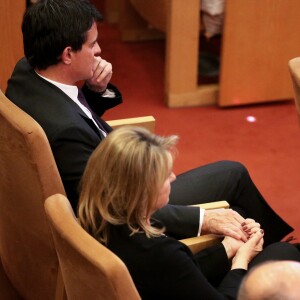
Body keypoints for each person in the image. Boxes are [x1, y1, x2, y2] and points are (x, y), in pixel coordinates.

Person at [6, 0, 293, 242]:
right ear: (67, 54)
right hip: (125, 208)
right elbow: (113, 211)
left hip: (116, 179)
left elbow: (74, 115)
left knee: (233, 178)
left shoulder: (27, 72)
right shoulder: (67, 133)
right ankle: (274, 259)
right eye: (92, 45)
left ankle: (272, 249)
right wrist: (204, 219)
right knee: (234, 180)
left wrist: (94, 90)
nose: (99, 51)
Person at [78, 126, 300, 299]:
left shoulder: (98, 215)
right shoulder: (159, 252)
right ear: (142, 191)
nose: (174, 177)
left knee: (243, 218)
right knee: (284, 254)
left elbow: (178, 276)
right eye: (165, 176)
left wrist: (228, 248)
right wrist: (240, 261)